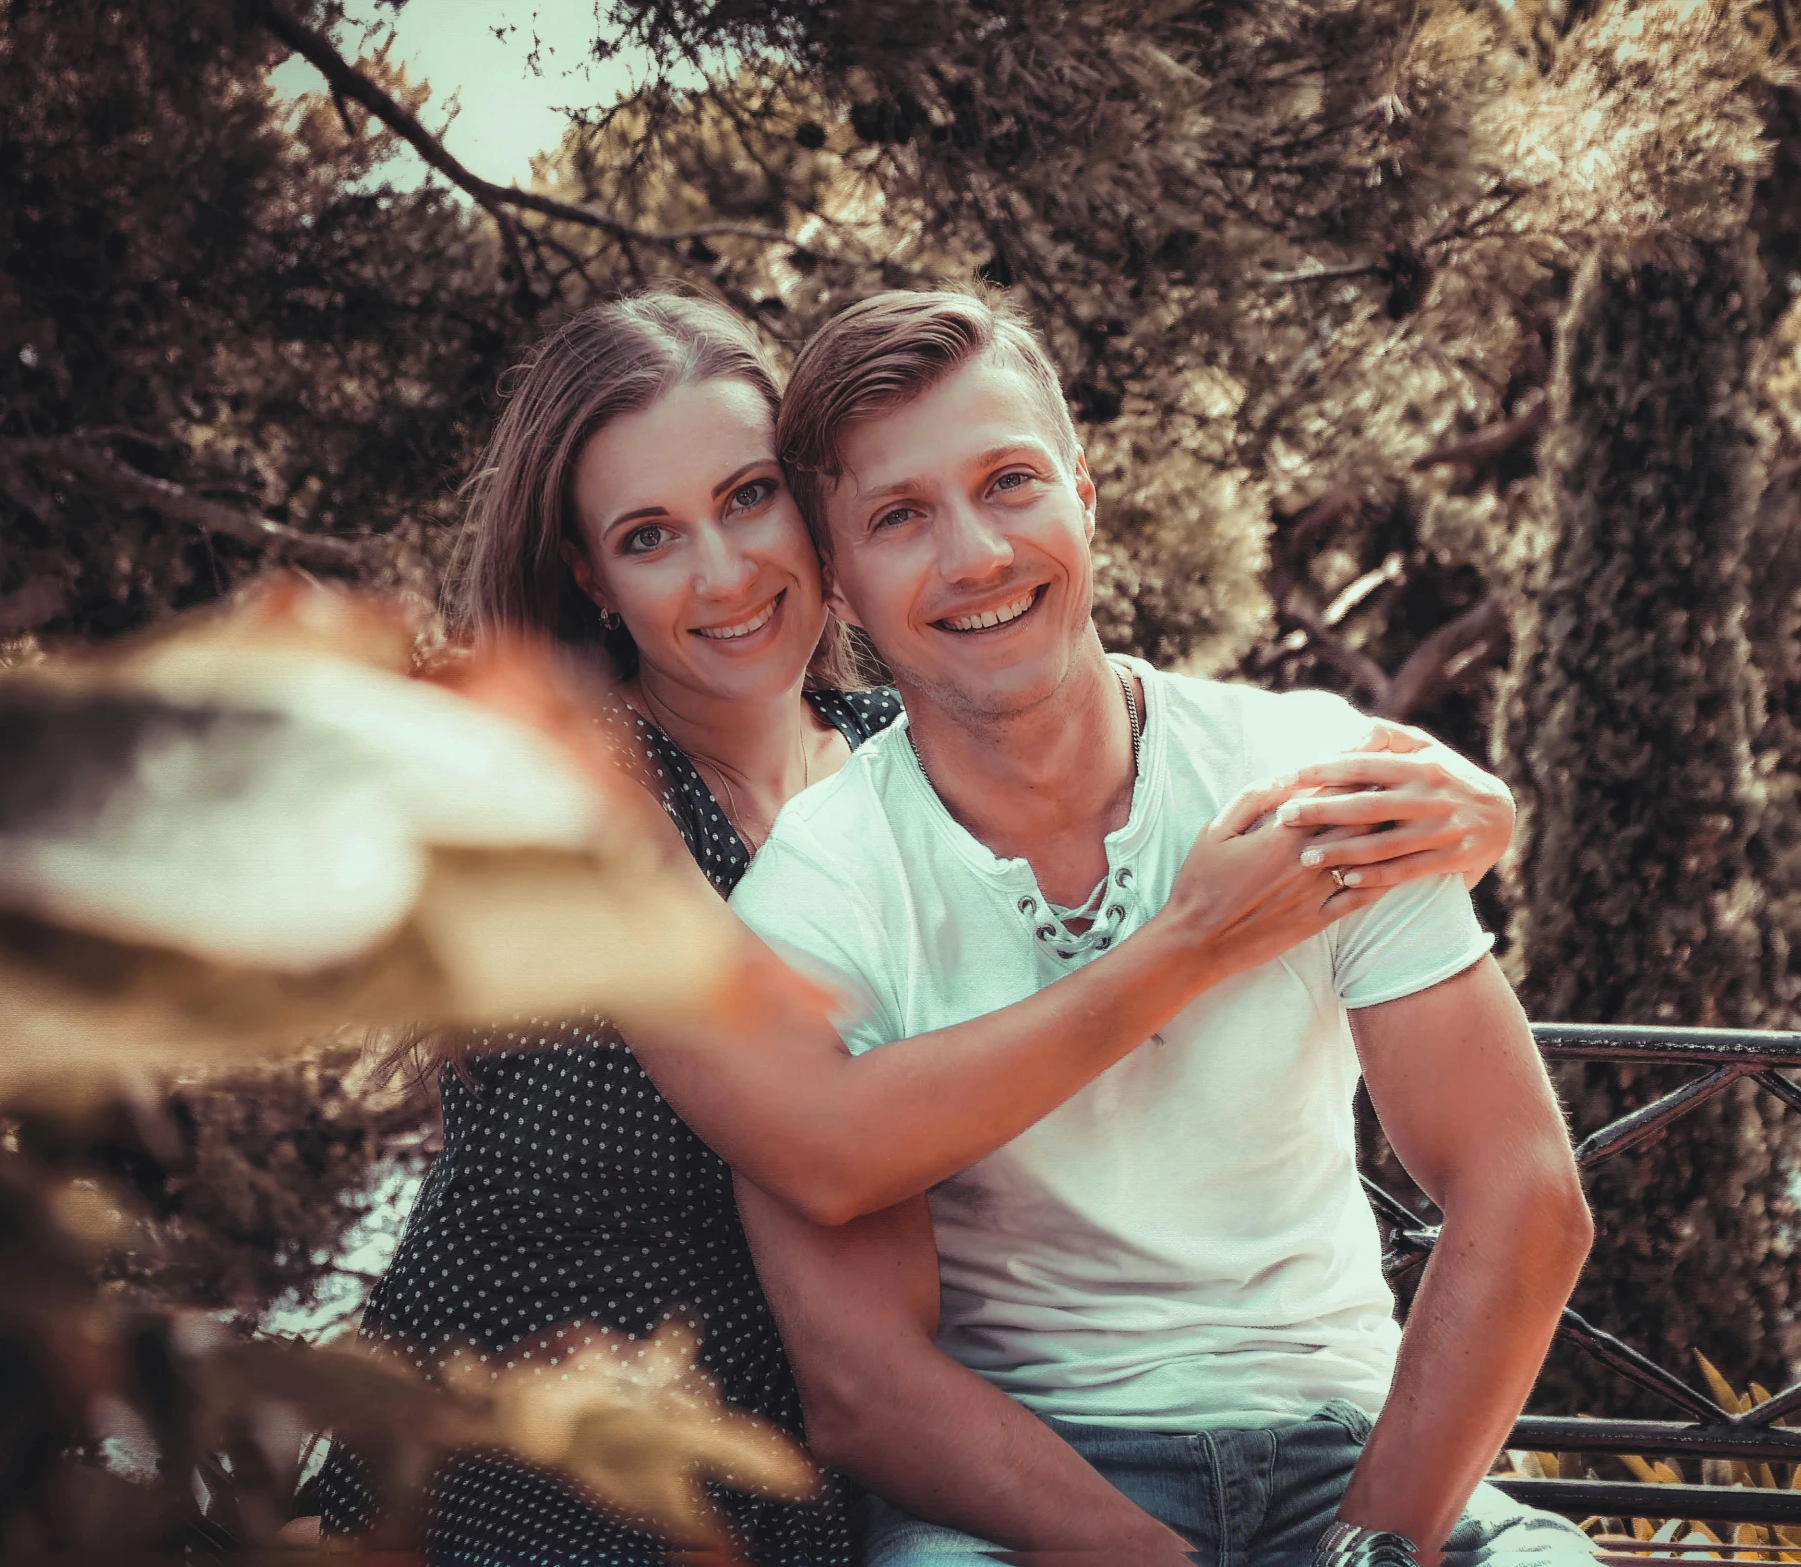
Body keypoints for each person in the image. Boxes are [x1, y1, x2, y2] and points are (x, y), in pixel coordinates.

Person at [314, 288, 1522, 1564]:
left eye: (745, 499)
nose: (724, 573)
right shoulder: (572, 775)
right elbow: (823, 1141)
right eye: (650, 536)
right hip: (541, 1428)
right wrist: (1187, 943)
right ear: (588, 573)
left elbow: (1090, 727)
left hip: (789, 1436)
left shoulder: (892, 752)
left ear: (816, 519)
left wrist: (1468, 816)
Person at [730, 289, 1597, 1565]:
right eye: (900, 517)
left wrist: (1377, 1548)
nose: (974, 554)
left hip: (1351, 1453)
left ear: (1087, 496)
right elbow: (860, 1384)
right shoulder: (820, 890)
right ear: (840, 585)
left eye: (1010, 482)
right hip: (1027, 1488)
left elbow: (1522, 1191)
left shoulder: (1309, 776)